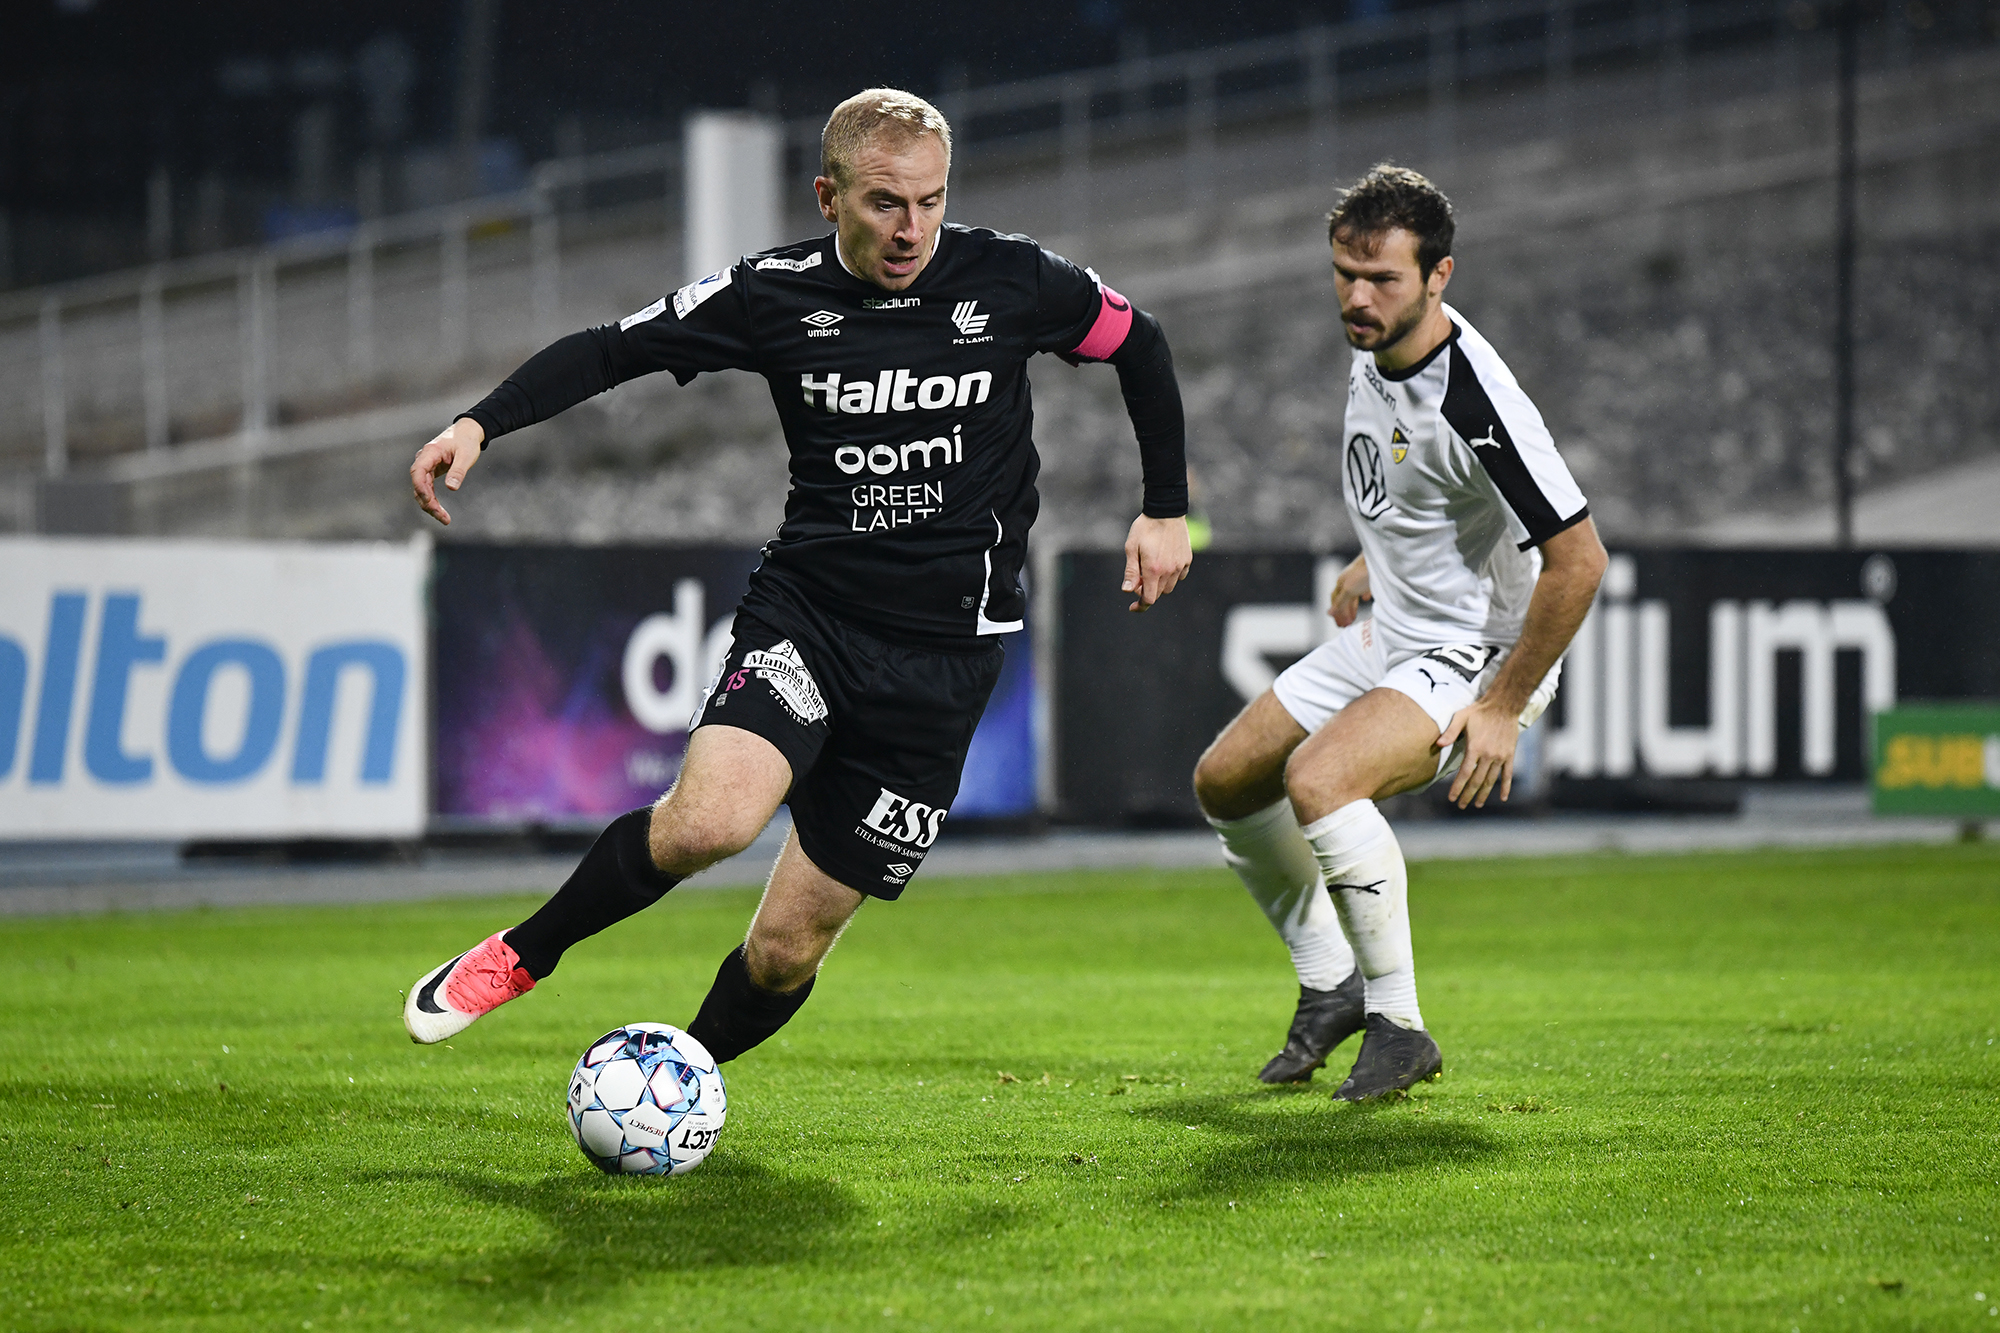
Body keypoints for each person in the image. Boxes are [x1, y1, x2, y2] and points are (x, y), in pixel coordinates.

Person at [401, 89, 1193, 1063]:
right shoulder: (772, 294)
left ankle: (679, 1077)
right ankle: (519, 954)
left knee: (783, 951)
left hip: (948, 658)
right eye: (884, 203)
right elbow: (613, 350)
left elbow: (1140, 342)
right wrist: (478, 422)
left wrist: (1164, 508)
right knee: (709, 821)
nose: (911, 230)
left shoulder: (1015, 279)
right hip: (810, 616)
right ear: (828, 197)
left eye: (931, 202)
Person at [1191, 165, 1607, 1101]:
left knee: (1319, 778)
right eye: (1345, 274)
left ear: (1439, 275)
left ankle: (1401, 1024)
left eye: (1382, 279)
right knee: (1227, 778)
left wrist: (1501, 705)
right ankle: (1329, 983)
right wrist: (1374, 555)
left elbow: (1579, 560)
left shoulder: (1476, 399)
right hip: (1399, 623)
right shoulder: (1375, 345)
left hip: (1476, 651)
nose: (1358, 297)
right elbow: (1426, 489)